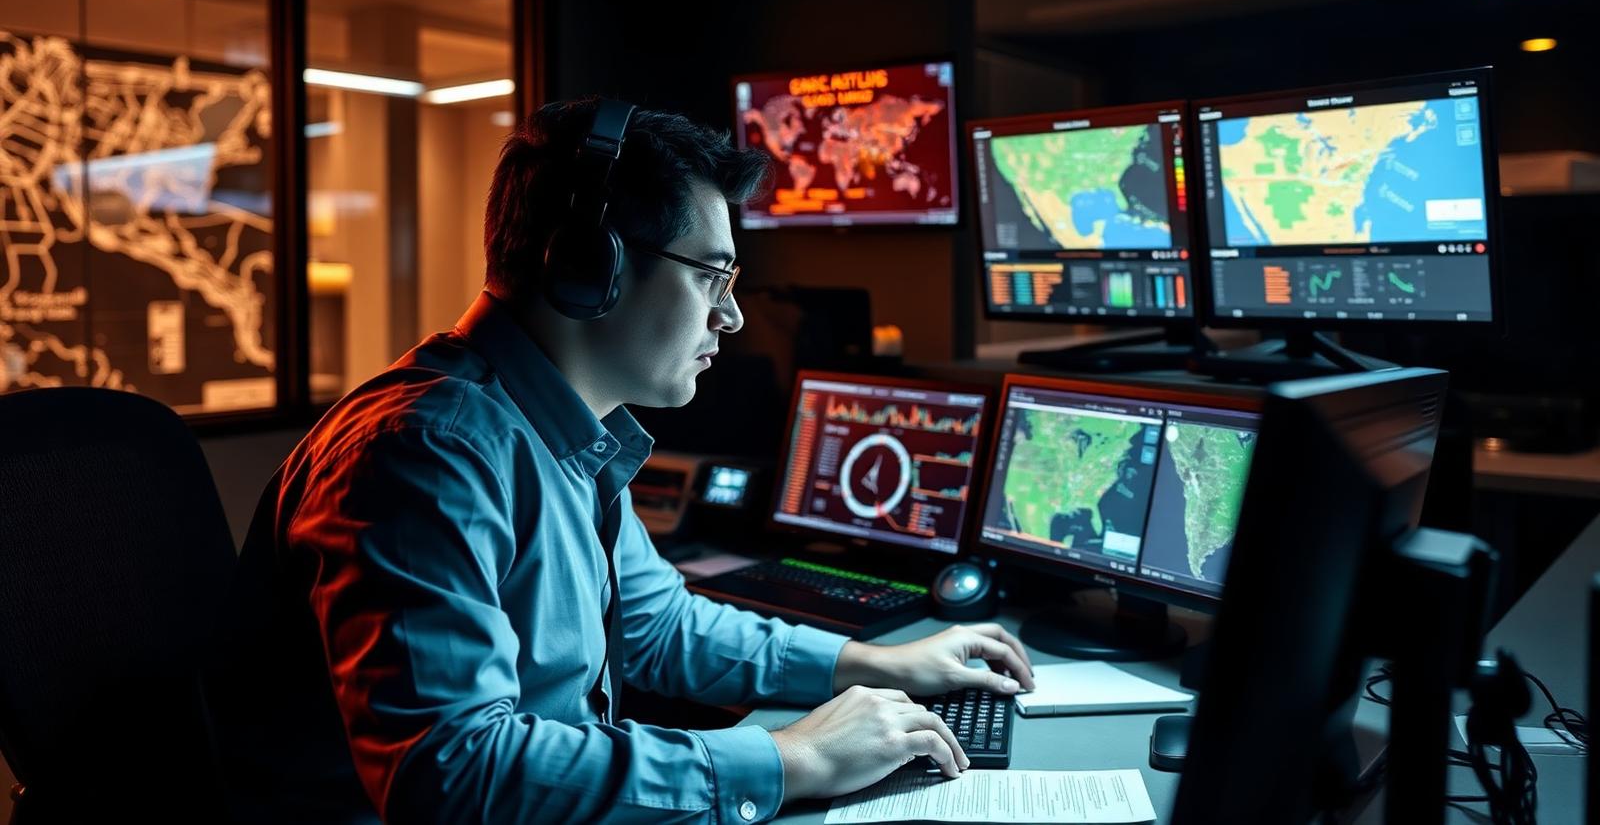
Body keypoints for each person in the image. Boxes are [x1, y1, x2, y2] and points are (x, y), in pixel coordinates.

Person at [207, 98, 1035, 824]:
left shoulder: (562, 435)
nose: (735, 317)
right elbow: (452, 775)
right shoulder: (427, 453)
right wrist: (791, 760)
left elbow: (658, 626)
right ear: (587, 268)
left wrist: (873, 663)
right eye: (712, 274)